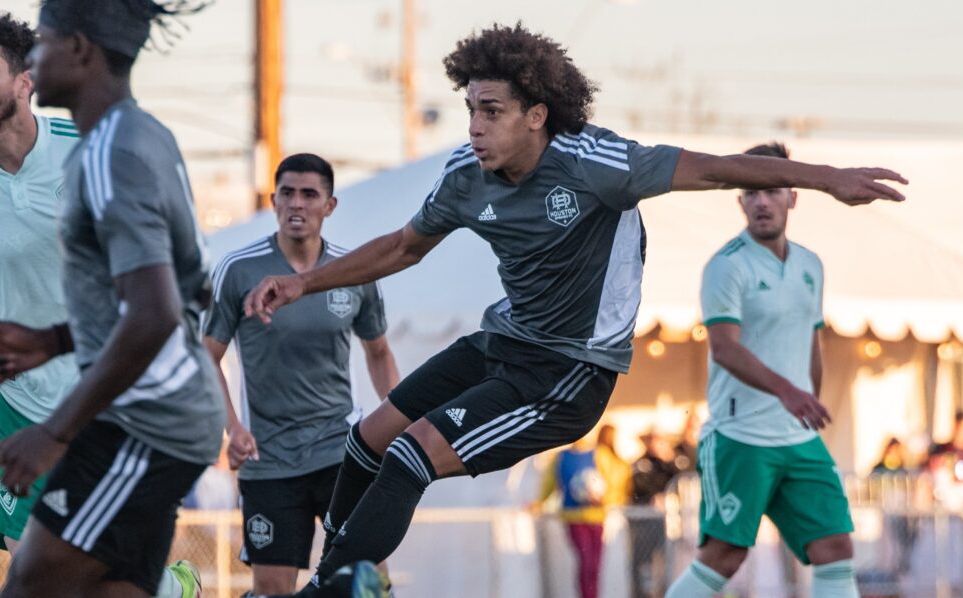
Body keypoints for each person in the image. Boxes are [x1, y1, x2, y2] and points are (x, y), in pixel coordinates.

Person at [246, 25, 906, 597]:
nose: (474, 127)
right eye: (471, 109)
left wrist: (827, 178)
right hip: (502, 342)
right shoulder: (466, 174)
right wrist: (305, 284)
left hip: (568, 373)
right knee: (367, 440)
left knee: (410, 457)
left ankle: (331, 589)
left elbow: (712, 170)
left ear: (537, 115)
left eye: (492, 111)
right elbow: (402, 247)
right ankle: (341, 580)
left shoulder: (598, 162)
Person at [0, 1, 224, 596]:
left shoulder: (106, 150)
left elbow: (159, 310)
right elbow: (171, 291)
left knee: (35, 581)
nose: (38, 53)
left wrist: (56, 432)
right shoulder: (122, 139)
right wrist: (51, 340)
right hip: (49, 395)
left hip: (135, 407)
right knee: (99, 583)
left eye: (44, 43)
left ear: (71, 53)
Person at [666, 142, 861, 598]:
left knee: (835, 548)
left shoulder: (810, 264)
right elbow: (724, 348)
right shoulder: (726, 266)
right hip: (740, 437)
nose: (762, 202)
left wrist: (808, 398)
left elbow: (811, 340)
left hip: (798, 441)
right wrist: (787, 391)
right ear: (739, 201)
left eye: (772, 191)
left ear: (793, 197)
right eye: (751, 192)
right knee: (724, 557)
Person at [203, 153, 400, 594]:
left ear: (330, 206)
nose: (297, 203)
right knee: (273, 590)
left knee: (368, 581)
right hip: (268, 460)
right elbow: (207, 357)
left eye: (309, 194)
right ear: (273, 201)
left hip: (342, 454)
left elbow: (380, 353)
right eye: (287, 193)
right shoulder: (239, 270)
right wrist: (232, 428)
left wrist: (399, 423)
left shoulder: (354, 271)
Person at [0, 11, 80, 554]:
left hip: (107, 393)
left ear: (25, 83)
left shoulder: (85, 151)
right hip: (23, 399)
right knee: (28, 565)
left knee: (99, 568)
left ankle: (170, 587)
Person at [537, 437, 612, 598]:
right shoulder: (561, 457)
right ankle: (586, 594)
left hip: (596, 517)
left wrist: (603, 499)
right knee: (586, 561)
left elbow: (612, 483)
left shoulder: (600, 454)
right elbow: (549, 483)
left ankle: (593, 594)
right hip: (574, 518)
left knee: (595, 564)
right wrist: (538, 503)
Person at [629, 431, 679, 598]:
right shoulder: (641, 463)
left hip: (668, 522)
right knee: (645, 562)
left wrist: (669, 459)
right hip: (647, 521)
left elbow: (679, 477)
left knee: (667, 558)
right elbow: (640, 487)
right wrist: (654, 496)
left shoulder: (666, 464)